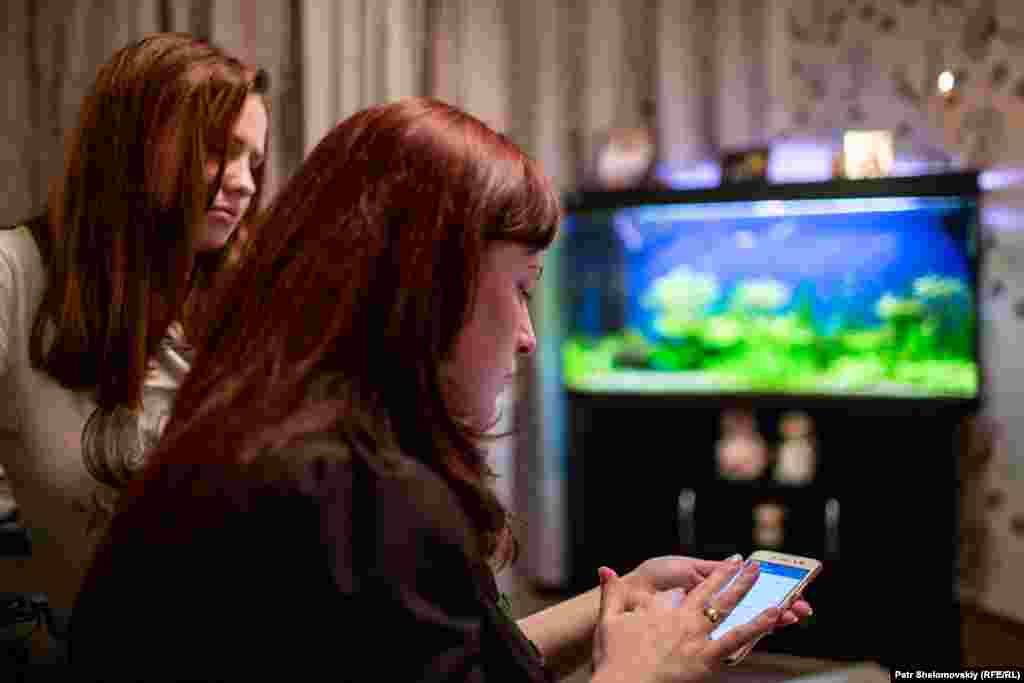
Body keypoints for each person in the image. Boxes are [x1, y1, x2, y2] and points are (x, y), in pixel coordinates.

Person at [69, 97, 811, 682]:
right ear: (425, 287)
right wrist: (643, 671)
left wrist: (612, 608)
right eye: (520, 288)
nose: (526, 335)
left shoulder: (274, 435)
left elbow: (426, 656)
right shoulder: (360, 490)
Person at [0, 32, 269, 624]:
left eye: (255, 161)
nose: (246, 183)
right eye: (221, 151)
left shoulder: (244, 303)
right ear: (136, 145)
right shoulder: (13, 276)